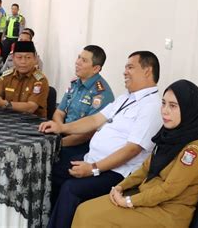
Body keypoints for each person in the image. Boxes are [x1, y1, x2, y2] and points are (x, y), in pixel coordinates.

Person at [39, 51, 163, 228]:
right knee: (50, 170)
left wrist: (93, 169)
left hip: (116, 173)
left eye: (130, 67)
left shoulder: (151, 106)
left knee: (71, 189)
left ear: (147, 71)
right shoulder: (125, 98)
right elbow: (94, 120)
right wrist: (62, 128)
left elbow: (132, 150)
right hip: (92, 160)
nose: (124, 72)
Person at [73, 79, 198, 228]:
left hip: (168, 213)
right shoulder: (168, 136)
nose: (165, 110)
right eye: (164, 103)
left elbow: (169, 190)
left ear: (188, 110)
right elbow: (145, 169)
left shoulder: (195, 149)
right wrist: (120, 187)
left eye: (173, 106)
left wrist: (130, 201)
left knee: (92, 219)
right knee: (84, 210)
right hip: (147, 200)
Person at [40, 45, 114, 204]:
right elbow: (59, 112)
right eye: (79, 57)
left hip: (83, 145)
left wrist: (59, 142)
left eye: (84, 60)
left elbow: (88, 133)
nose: (77, 62)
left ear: (96, 68)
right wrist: (59, 131)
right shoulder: (75, 84)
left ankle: (50, 213)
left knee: (50, 169)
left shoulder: (101, 94)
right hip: (63, 136)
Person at [0, 41, 49, 118]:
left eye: (28, 57)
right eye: (19, 57)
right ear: (13, 58)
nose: (23, 62)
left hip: (32, 123)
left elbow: (31, 108)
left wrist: (4, 104)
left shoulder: (40, 80)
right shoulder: (6, 77)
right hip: (7, 120)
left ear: (35, 59)